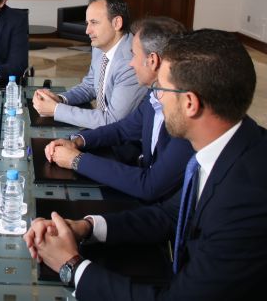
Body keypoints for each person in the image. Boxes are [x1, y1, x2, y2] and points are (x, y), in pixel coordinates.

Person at [24, 29, 267, 300]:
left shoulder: (247, 201)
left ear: (190, 103)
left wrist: (71, 265)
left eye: (161, 90)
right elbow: (170, 215)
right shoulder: (225, 147)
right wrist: (87, 226)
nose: (156, 99)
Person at [44, 17, 194, 202]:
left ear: (153, 60)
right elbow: (123, 129)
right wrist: (78, 141)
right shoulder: (155, 93)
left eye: (134, 55)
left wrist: (76, 160)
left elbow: (150, 186)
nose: (131, 63)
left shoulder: (186, 117)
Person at [33, 0, 147, 129]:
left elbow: (112, 121)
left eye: (94, 23)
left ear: (117, 23)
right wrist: (60, 99)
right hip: (103, 129)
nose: (87, 31)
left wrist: (56, 110)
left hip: (127, 141)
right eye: (87, 23)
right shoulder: (100, 47)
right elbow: (90, 86)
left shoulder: (131, 61)